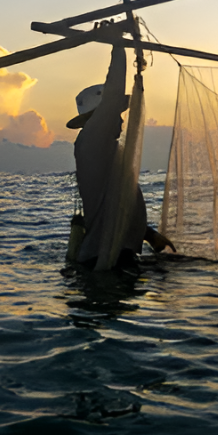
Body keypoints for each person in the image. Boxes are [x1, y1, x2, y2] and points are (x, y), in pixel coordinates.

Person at [67, 21, 175, 269]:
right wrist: (117, 45)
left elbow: (114, 206)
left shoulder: (109, 151)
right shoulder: (92, 139)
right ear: (98, 117)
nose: (120, 119)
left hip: (118, 257)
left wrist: (147, 234)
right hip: (102, 261)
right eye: (114, 113)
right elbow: (114, 93)